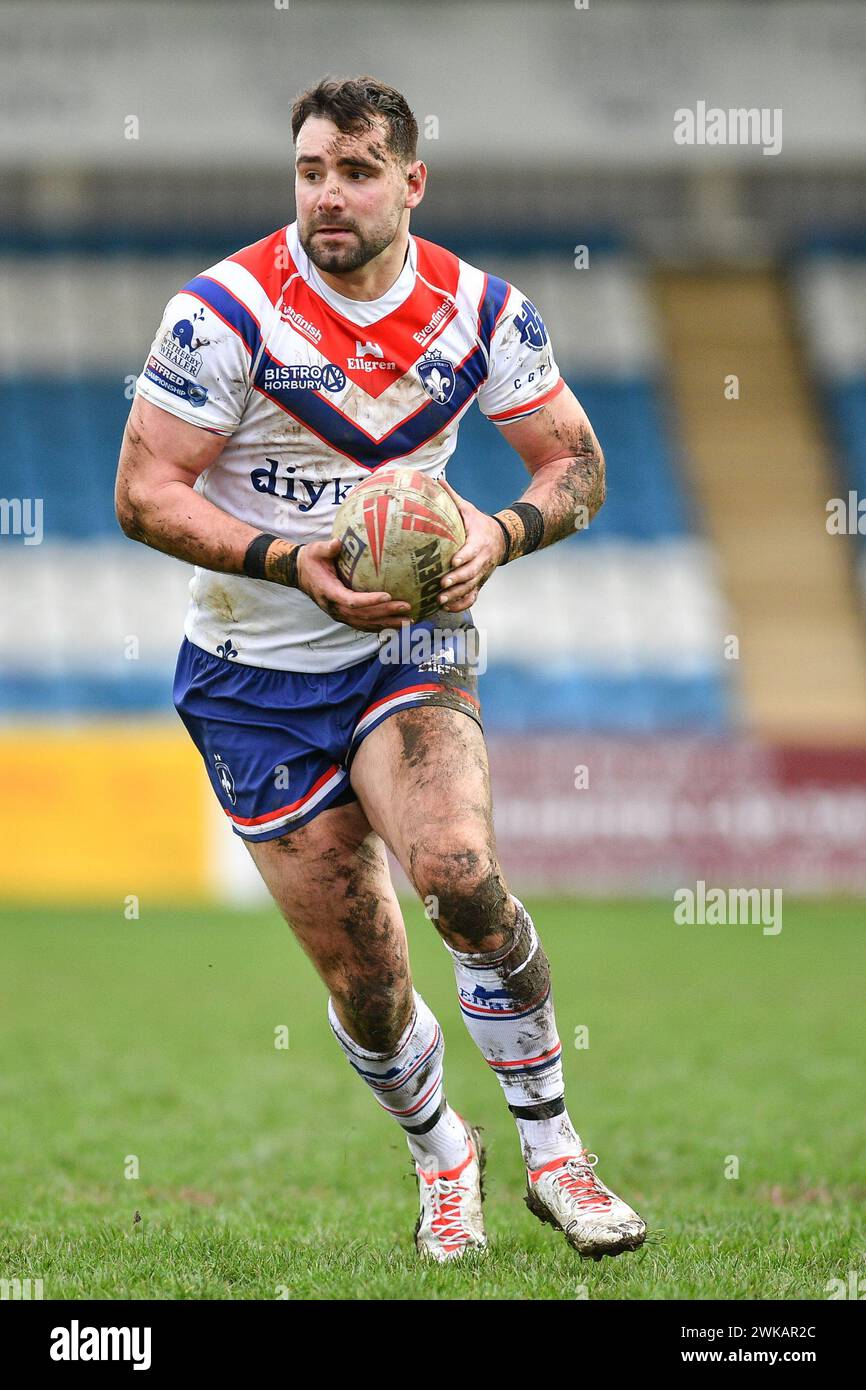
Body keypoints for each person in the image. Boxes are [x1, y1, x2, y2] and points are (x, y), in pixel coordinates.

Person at [115, 74, 646, 1263]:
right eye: (310, 171)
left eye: (355, 172)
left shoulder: (479, 313)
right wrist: (289, 558)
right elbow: (141, 492)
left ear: (411, 182)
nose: (328, 196)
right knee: (365, 983)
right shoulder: (223, 314)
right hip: (251, 672)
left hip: (406, 647)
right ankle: (440, 1154)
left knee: (458, 873)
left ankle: (556, 1157)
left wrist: (498, 535)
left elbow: (575, 465)